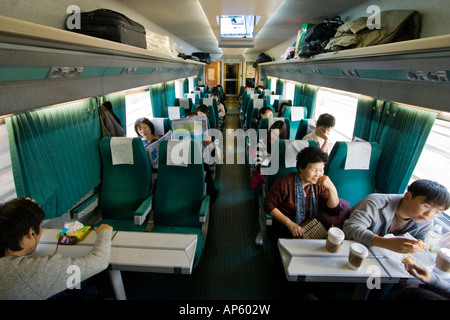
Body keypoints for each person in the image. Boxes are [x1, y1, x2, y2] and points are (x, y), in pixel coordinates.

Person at [0, 198, 113, 300]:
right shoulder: (37, 270)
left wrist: (26, 212)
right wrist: (105, 233)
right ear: (31, 233)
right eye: (40, 226)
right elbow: (99, 262)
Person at [343, 179, 450, 254]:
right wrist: (386, 243)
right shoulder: (375, 203)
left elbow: (419, 243)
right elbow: (350, 228)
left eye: (437, 212)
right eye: (426, 206)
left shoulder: (425, 222)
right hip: (352, 249)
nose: (429, 214)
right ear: (407, 196)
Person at [264, 147, 342, 240]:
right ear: (301, 168)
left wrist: (332, 188)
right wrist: (289, 224)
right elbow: (268, 205)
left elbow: (333, 211)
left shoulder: (319, 185)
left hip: (311, 228)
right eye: (314, 170)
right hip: (285, 229)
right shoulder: (285, 183)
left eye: (321, 170)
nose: (318, 174)